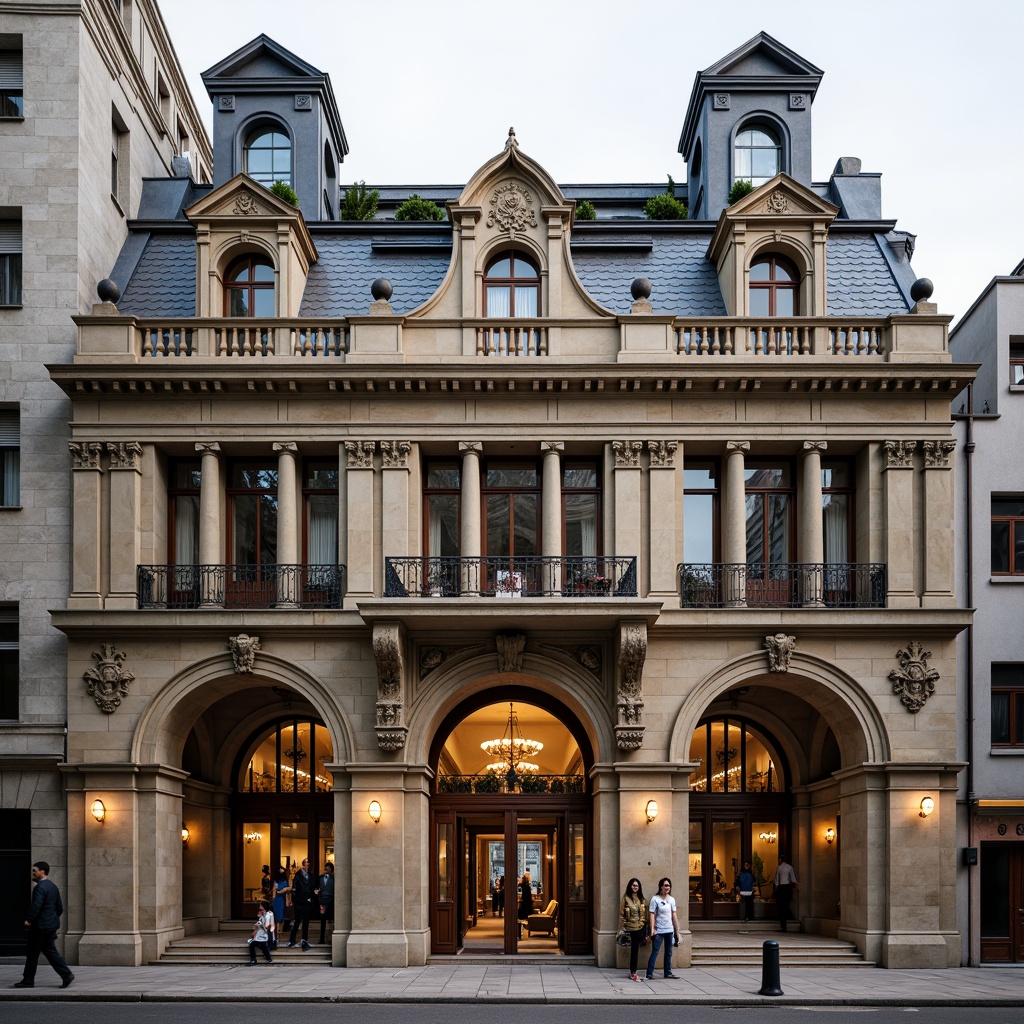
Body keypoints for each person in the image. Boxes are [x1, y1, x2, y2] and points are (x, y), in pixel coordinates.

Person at [12, 861, 74, 989]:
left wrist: (28, 919)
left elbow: (36, 906)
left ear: (42, 871)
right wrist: (52, 919)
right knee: (49, 951)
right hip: (50, 926)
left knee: (32, 953)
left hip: (40, 927)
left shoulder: (40, 888)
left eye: (35, 870)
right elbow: (60, 908)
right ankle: (66, 974)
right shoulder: (52, 886)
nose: (33, 873)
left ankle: (28, 980)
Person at [645, 877, 681, 980]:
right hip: (659, 930)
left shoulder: (671, 899)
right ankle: (649, 973)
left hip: (669, 930)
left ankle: (668, 973)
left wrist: (677, 930)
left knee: (669, 952)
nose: (667, 887)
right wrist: (652, 929)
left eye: (669, 885)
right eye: (665, 885)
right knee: (655, 951)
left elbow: (674, 915)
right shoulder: (655, 899)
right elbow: (652, 915)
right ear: (661, 886)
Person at [620, 877, 647, 982]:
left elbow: (644, 913)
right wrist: (622, 927)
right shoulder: (626, 897)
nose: (635, 887)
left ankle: (634, 971)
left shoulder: (641, 898)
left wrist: (642, 925)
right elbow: (622, 913)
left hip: (640, 927)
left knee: (636, 949)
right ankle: (633, 971)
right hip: (630, 927)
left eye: (637, 886)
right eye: (633, 885)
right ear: (630, 886)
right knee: (634, 949)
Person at [288, 858, 315, 949]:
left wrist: (313, 895)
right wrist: (295, 899)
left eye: (308, 864)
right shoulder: (298, 875)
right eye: (306, 864)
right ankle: (292, 939)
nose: (307, 866)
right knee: (297, 921)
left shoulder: (311, 876)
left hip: (308, 902)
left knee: (306, 922)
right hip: (299, 902)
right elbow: (294, 888)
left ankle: (304, 940)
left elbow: (312, 887)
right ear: (303, 865)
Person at [773, 854, 798, 932]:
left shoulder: (779, 868)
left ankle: (783, 925)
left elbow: (777, 880)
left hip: (781, 888)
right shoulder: (790, 867)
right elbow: (793, 879)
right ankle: (788, 920)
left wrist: (776, 889)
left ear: (780, 860)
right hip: (788, 888)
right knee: (786, 905)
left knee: (781, 907)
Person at [317, 861, 335, 944]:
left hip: (331, 901)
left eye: (328, 868)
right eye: (326, 868)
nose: (327, 870)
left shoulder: (334, 878)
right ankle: (321, 938)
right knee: (322, 919)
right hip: (322, 901)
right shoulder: (320, 878)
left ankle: (332, 938)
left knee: (332, 920)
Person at [273, 865, 290, 931]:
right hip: (277, 899)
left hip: (283, 899)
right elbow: (274, 890)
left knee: (281, 915)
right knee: (277, 915)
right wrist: (273, 898)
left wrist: (284, 890)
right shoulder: (276, 881)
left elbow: (289, 889)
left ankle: (280, 930)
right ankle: (277, 931)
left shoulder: (286, 879)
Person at [517, 873, 533, 939]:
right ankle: (520, 933)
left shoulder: (522, 886)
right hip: (526, 905)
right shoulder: (527, 887)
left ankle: (520, 933)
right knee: (522, 919)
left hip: (523, 904)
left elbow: (523, 896)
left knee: (520, 919)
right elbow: (528, 897)